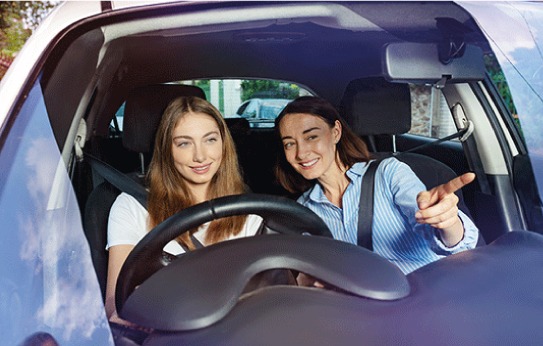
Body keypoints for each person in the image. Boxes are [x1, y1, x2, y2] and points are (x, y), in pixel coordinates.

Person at [105, 96, 263, 332]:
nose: (200, 156)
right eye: (184, 143)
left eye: (210, 140)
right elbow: (115, 306)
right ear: (167, 149)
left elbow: (264, 297)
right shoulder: (132, 207)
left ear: (223, 143)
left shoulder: (250, 211)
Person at [275, 96, 479, 275]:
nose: (301, 153)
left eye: (312, 137)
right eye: (290, 143)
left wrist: (448, 223)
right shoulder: (303, 209)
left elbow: (447, 242)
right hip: (362, 310)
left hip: (426, 299)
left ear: (335, 132)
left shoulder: (389, 173)